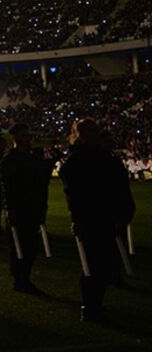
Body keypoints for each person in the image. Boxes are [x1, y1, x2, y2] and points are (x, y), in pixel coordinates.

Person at [60, 119, 136, 324]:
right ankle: (90, 306)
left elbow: (119, 188)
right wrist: (78, 218)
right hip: (92, 218)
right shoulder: (79, 160)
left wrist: (123, 213)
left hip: (106, 217)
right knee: (92, 265)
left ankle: (95, 304)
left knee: (103, 265)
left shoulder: (103, 158)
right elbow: (74, 193)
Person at [0, 123, 49, 295]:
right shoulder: (9, 159)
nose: (28, 139)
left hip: (32, 208)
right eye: (24, 136)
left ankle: (24, 276)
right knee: (19, 246)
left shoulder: (31, 158)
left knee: (31, 247)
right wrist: (9, 207)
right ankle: (19, 278)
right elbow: (6, 186)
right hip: (18, 209)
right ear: (16, 138)